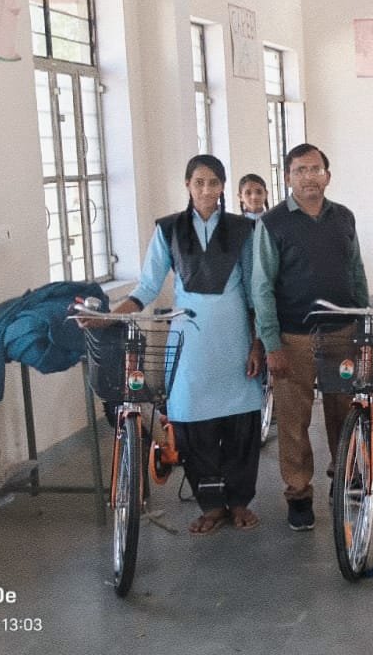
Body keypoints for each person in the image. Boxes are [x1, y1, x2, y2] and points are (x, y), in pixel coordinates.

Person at [114, 155, 265, 533]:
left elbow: (255, 292)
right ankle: (211, 505)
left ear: (223, 187)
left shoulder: (243, 229)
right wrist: (112, 315)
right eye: (199, 182)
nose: (206, 190)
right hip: (190, 342)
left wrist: (258, 343)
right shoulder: (168, 229)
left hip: (235, 338)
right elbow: (147, 287)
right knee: (193, 423)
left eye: (214, 183)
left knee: (241, 424)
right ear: (187, 185)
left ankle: (239, 502)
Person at [251, 143, 371, 531]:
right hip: (294, 337)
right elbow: (261, 287)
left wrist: (364, 324)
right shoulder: (272, 223)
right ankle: (299, 494)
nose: (309, 177)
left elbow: (356, 272)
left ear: (327, 176)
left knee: (344, 410)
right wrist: (272, 344)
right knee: (293, 420)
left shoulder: (343, 217)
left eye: (315, 169)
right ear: (288, 178)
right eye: (300, 170)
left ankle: (346, 477)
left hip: (342, 331)